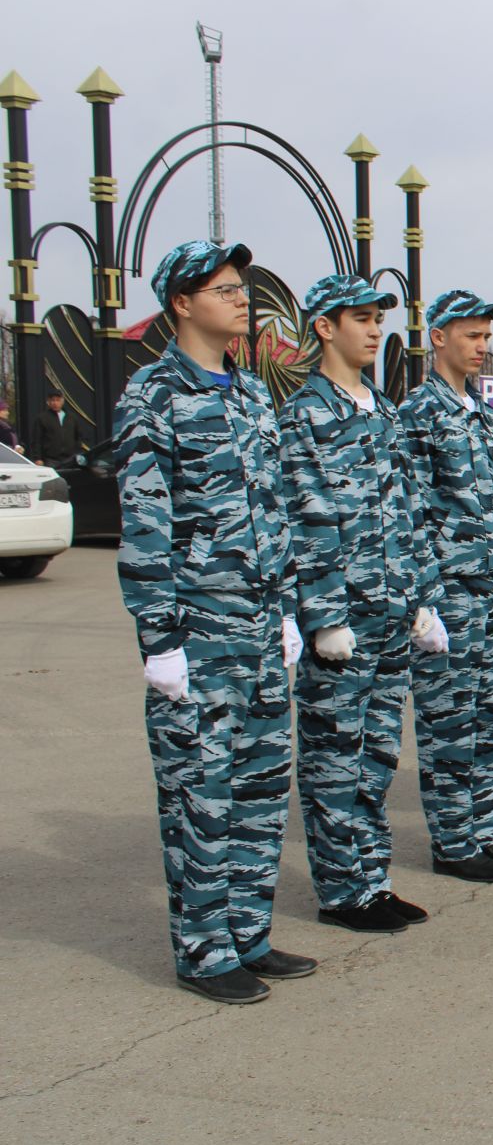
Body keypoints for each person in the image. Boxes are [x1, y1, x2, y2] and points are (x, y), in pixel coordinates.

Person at [115, 239, 311, 1003]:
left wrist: (289, 608)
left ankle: (248, 935)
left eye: (241, 287)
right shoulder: (153, 396)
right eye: (222, 288)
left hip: (261, 633)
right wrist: (158, 641)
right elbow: (145, 527)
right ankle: (203, 951)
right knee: (203, 796)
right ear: (181, 305)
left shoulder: (251, 394)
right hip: (198, 637)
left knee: (261, 790)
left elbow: (278, 512)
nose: (240, 297)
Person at [282, 275, 452, 933]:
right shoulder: (306, 415)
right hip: (344, 622)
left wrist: (423, 598)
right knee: (334, 757)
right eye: (360, 317)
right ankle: (342, 891)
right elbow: (305, 519)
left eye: (379, 316)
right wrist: (322, 616)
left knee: (377, 757)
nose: (376, 328)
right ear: (325, 326)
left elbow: (411, 511)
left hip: (389, 617)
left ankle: (373, 878)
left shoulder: (380, 411)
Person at [398, 289, 493, 883]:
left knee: (491, 712)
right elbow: (407, 512)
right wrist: (423, 598)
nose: (483, 347)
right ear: (439, 338)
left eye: (486, 337)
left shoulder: (478, 411)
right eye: (473, 336)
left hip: (488, 588)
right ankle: (454, 842)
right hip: (448, 592)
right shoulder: (419, 413)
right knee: (449, 717)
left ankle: (483, 828)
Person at [31, 389, 84, 467]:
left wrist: (78, 453)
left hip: (70, 458)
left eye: (58, 400)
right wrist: (38, 458)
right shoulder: (42, 418)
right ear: (48, 402)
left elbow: (78, 437)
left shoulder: (71, 417)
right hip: (51, 459)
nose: (55, 403)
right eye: (52, 400)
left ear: (62, 401)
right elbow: (37, 439)